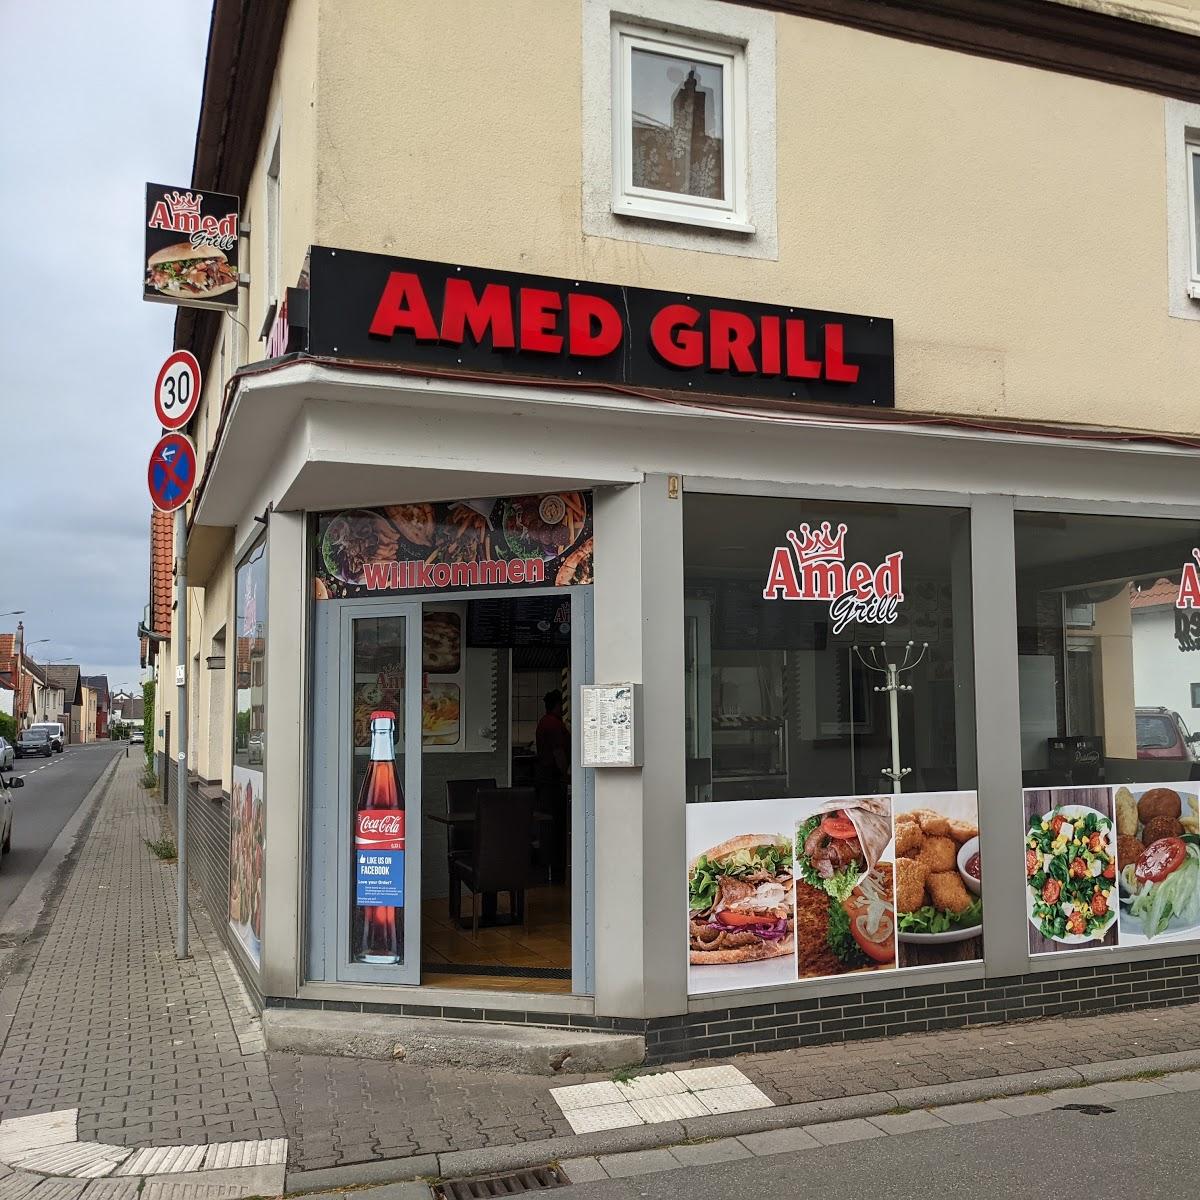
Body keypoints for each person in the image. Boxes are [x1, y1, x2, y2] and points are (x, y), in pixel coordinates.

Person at [535, 689, 571, 884]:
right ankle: (555, 872)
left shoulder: (543, 722)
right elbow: (559, 753)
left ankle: (548, 869)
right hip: (553, 780)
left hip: (545, 779)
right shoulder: (554, 724)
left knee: (547, 824)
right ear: (558, 705)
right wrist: (566, 775)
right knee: (555, 825)